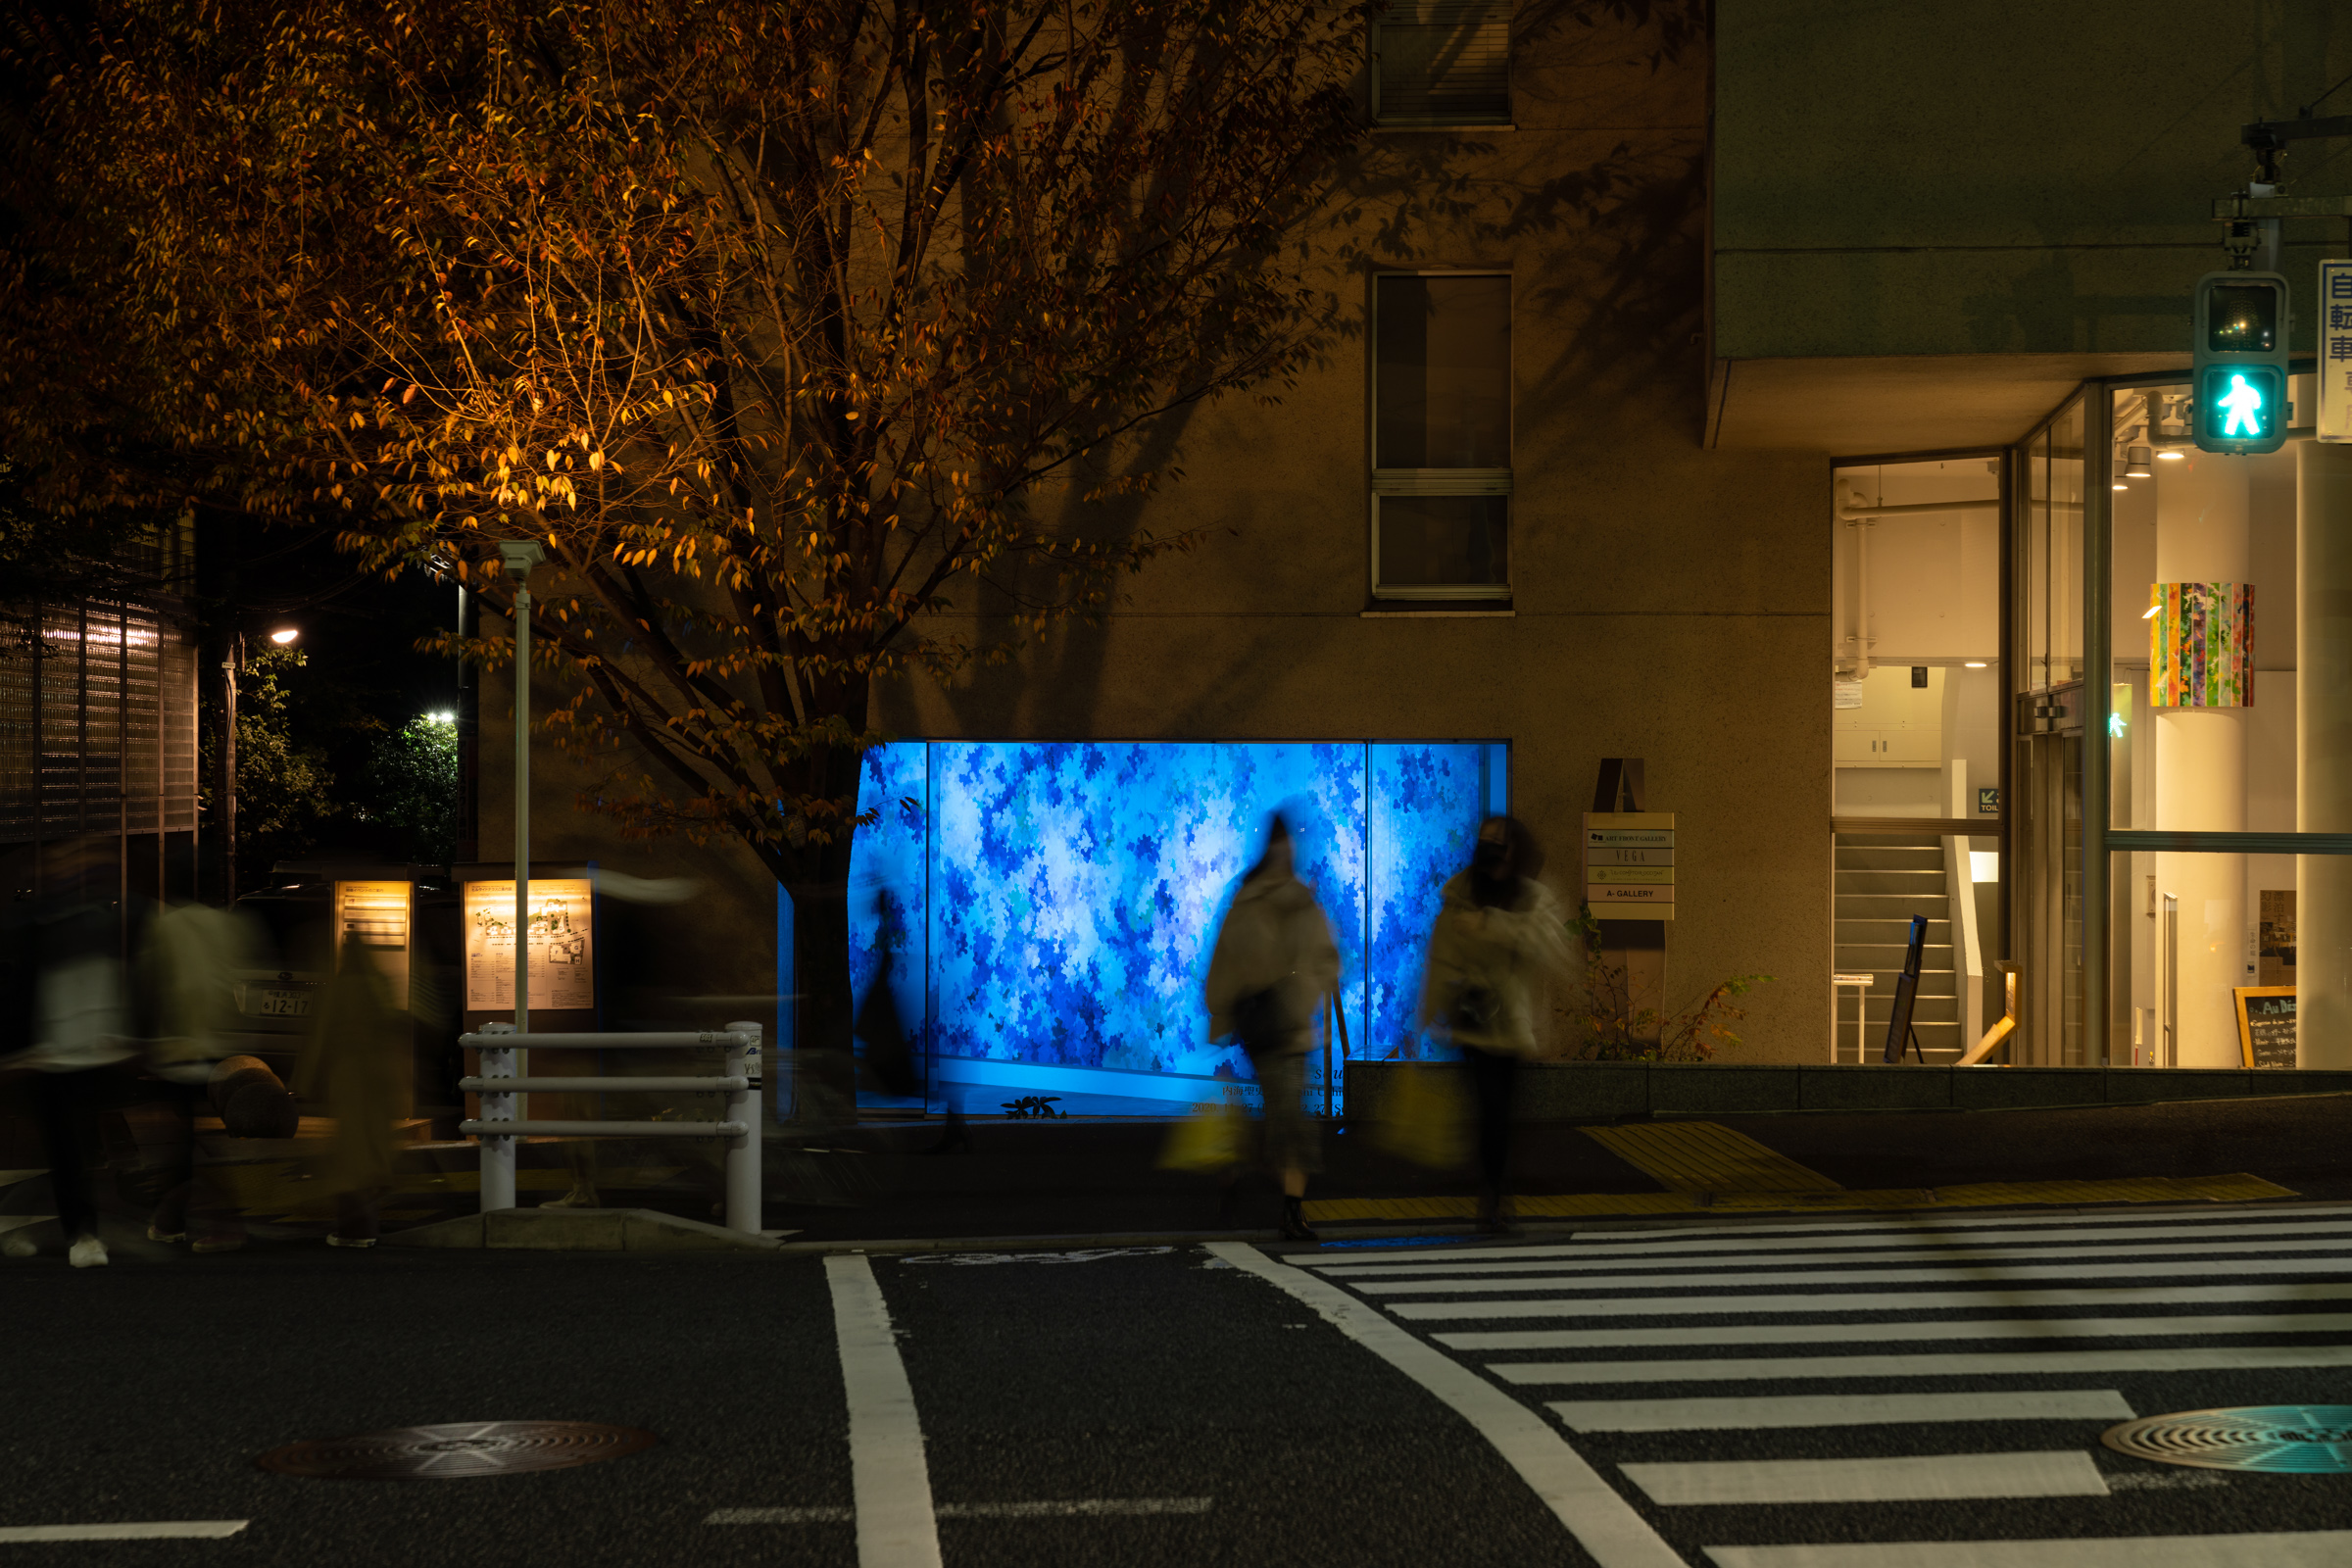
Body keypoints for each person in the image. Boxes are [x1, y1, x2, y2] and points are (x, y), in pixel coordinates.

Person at [1420, 815, 1569, 1235]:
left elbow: (1546, 945)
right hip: (1474, 1024)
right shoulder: (1461, 894)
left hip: (1514, 1024)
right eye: (1485, 842)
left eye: (1499, 844)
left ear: (1515, 851)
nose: (1491, 852)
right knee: (1491, 1110)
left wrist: (1490, 925)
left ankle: (1497, 1190)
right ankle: (1493, 1193)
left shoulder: (1531, 898)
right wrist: (1429, 1012)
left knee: (1501, 1114)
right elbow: (1441, 956)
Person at [0, 836, 142, 1267]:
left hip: (72, 1053)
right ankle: (81, 1233)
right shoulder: (54, 924)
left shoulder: (68, 922)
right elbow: (23, 990)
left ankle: (62, 1230)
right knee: (67, 1146)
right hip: (57, 1055)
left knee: (66, 1146)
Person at [1204, 814, 1339, 1243]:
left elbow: (1225, 962)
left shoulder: (1254, 899)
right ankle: (1288, 1208)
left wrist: (1221, 1015)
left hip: (1271, 1026)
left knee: (1286, 1116)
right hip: (1279, 1026)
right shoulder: (1288, 900)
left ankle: (1269, 1190)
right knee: (1290, 1118)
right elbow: (1325, 958)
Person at [296, 932, 406, 1247]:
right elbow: (393, 1032)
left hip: (348, 1078)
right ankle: (370, 1223)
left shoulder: (340, 989)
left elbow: (320, 1038)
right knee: (373, 1152)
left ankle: (354, 1230)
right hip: (378, 1080)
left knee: (350, 1158)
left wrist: (303, 1084)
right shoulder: (380, 985)